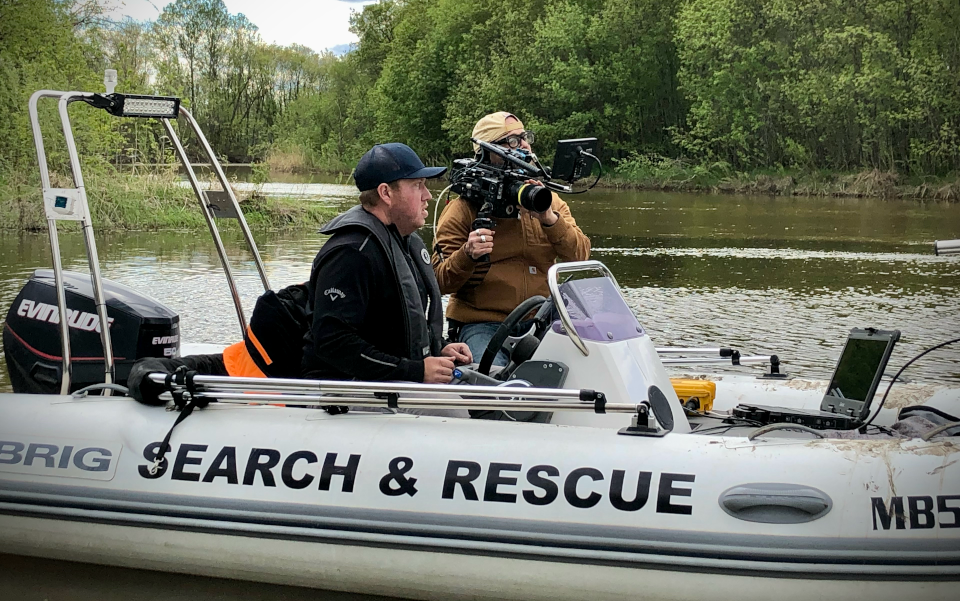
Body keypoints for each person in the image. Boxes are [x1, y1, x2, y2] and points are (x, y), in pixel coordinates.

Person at [301, 143, 472, 384]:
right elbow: (333, 342)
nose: (428, 196)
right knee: (477, 405)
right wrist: (415, 371)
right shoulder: (351, 253)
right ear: (386, 193)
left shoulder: (401, 242)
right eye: (418, 185)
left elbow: (394, 328)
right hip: (349, 391)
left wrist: (439, 347)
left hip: (394, 381)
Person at [432, 112, 591, 367]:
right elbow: (438, 281)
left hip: (542, 318)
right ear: (489, 152)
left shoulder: (548, 200)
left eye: (525, 138)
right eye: (513, 141)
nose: (524, 146)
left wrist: (549, 219)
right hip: (483, 322)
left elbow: (580, 256)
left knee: (588, 363)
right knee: (490, 375)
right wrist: (467, 254)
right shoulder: (462, 208)